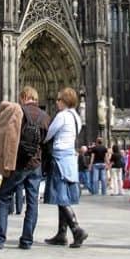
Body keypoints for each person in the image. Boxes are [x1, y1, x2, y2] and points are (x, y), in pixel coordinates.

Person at [0, 86, 50, 250]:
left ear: (24, 97)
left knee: (4, 198)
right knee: (33, 202)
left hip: (18, 164)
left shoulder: (18, 111)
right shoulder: (45, 117)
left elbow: (9, 137)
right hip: (35, 165)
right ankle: (27, 241)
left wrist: (6, 161)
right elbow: (47, 144)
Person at [43, 87, 88, 248]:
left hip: (60, 156)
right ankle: (61, 234)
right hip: (70, 157)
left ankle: (76, 230)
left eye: (58, 99)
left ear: (64, 101)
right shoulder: (76, 117)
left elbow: (49, 134)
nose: (56, 102)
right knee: (63, 195)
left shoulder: (62, 116)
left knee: (60, 195)